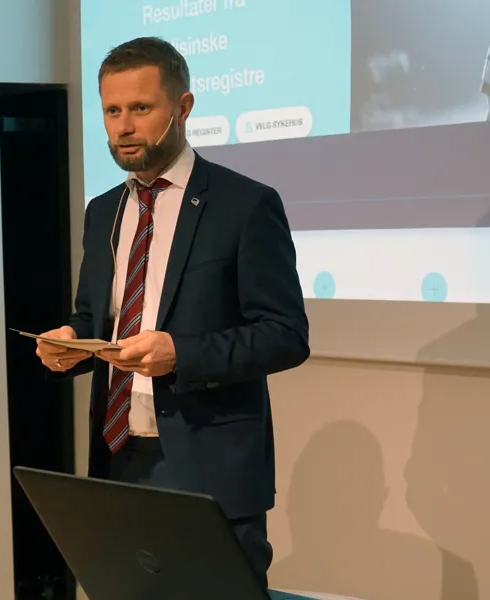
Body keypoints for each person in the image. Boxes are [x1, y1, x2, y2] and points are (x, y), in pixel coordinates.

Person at [35, 36, 309, 593]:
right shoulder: (102, 212)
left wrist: (181, 354)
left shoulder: (245, 205)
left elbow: (285, 335)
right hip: (119, 459)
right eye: (112, 110)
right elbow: (95, 319)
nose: (124, 126)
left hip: (209, 467)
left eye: (141, 107)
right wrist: (71, 342)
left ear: (183, 107)